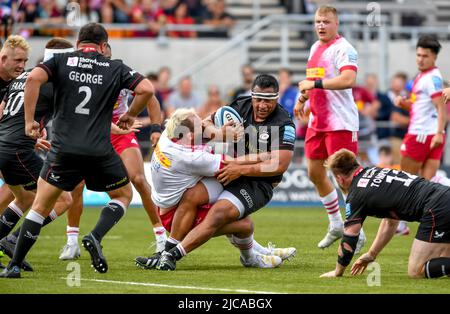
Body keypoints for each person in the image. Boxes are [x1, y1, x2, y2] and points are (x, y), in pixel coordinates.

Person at [0, 23, 155, 278]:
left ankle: (14, 265)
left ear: (78, 44)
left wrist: (29, 121)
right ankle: (94, 235)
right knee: (123, 195)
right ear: (103, 46)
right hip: (99, 151)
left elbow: (34, 78)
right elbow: (147, 89)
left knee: (39, 206)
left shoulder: (62, 60)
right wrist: (130, 115)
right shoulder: (114, 66)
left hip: (63, 150)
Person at [154, 74, 296, 271]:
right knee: (191, 195)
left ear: (277, 99)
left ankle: (172, 255)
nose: (263, 105)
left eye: (268, 101)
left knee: (219, 213)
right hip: (228, 170)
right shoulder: (240, 105)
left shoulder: (284, 123)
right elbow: (206, 123)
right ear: (252, 96)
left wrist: (241, 167)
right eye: (259, 99)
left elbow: (279, 164)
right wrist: (221, 133)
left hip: (257, 182)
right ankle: (165, 251)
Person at [58, 43, 167, 260]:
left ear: (106, 49)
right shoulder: (81, 74)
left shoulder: (120, 72)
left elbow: (152, 99)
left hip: (121, 132)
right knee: (77, 185)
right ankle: (72, 242)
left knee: (137, 178)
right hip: (91, 132)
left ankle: (162, 237)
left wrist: (156, 129)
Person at [294, 5, 364, 250]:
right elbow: (312, 83)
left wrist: (314, 85)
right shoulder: (314, 48)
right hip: (318, 122)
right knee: (314, 172)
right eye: (317, 22)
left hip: (340, 122)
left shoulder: (345, 49)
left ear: (336, 24)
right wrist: (303, 98)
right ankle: (336, 223)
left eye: (325, 22)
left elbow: (348, 79)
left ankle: (357, 229)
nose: (320, 26)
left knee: (345, 178)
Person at [0, 37, 74, 270]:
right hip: (16, 150)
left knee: (25, 198)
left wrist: (31, 132)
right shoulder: (54, 82)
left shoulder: (24, 76)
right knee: (64, 199)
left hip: (7, 146)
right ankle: (14, 240)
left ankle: (9, 240)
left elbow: (5, 112)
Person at [320, 148, 450, 279]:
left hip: (436, 209)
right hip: (444, 195)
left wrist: (338, 271)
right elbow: (391, 221)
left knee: (416, 271)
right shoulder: (376, 170)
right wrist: (372, 254)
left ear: (339, 178)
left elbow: (349, 238)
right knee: (445, 257)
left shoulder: (356, 194)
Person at [394, 36, 446, 236]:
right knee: (427, 181)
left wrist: (440, 132)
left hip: (420, 135)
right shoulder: (422, 76)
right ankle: (435, 219)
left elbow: (440, 106)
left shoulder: (431, 78)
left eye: (425, 55)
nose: (420, 59)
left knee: (405, 180)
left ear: (434, 57)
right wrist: (404, 103)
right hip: (429, 133)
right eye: (418, 55)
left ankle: (398, 224)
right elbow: (420, 107)